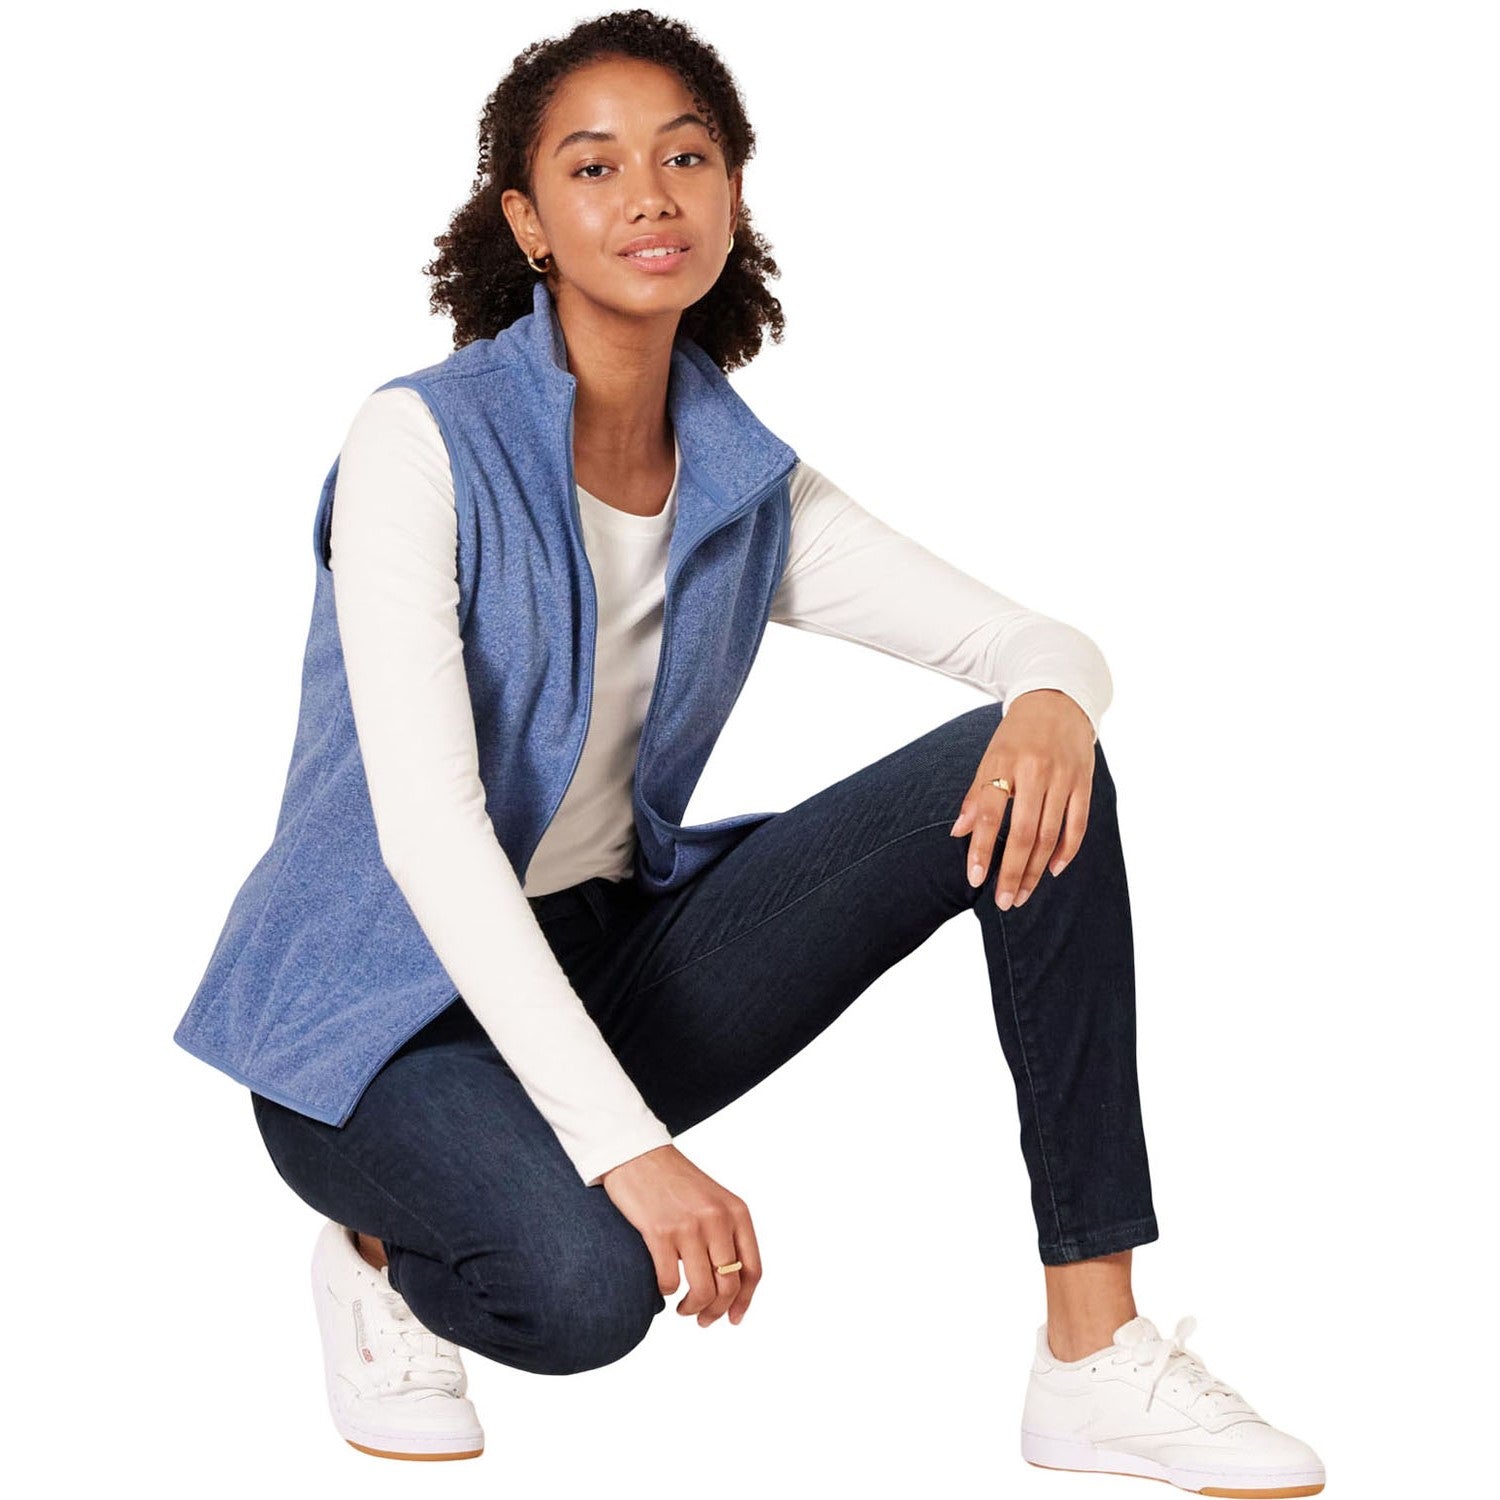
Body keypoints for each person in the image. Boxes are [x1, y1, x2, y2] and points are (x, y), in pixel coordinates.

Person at [172, 10, 1324, 1495]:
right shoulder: (422, 445)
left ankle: (1092, 1351)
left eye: (686, 157)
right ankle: (382, 1250)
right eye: (594, 168)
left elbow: (1034, 643)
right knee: (584, 1296)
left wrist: (1055, 698)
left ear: (731, 195)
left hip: (604, 958)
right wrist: (631, 1152)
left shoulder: (740, 482)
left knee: (1042, 770)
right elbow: (433, 835)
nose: (649, 196)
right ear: (526, 222)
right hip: (374, 1020)